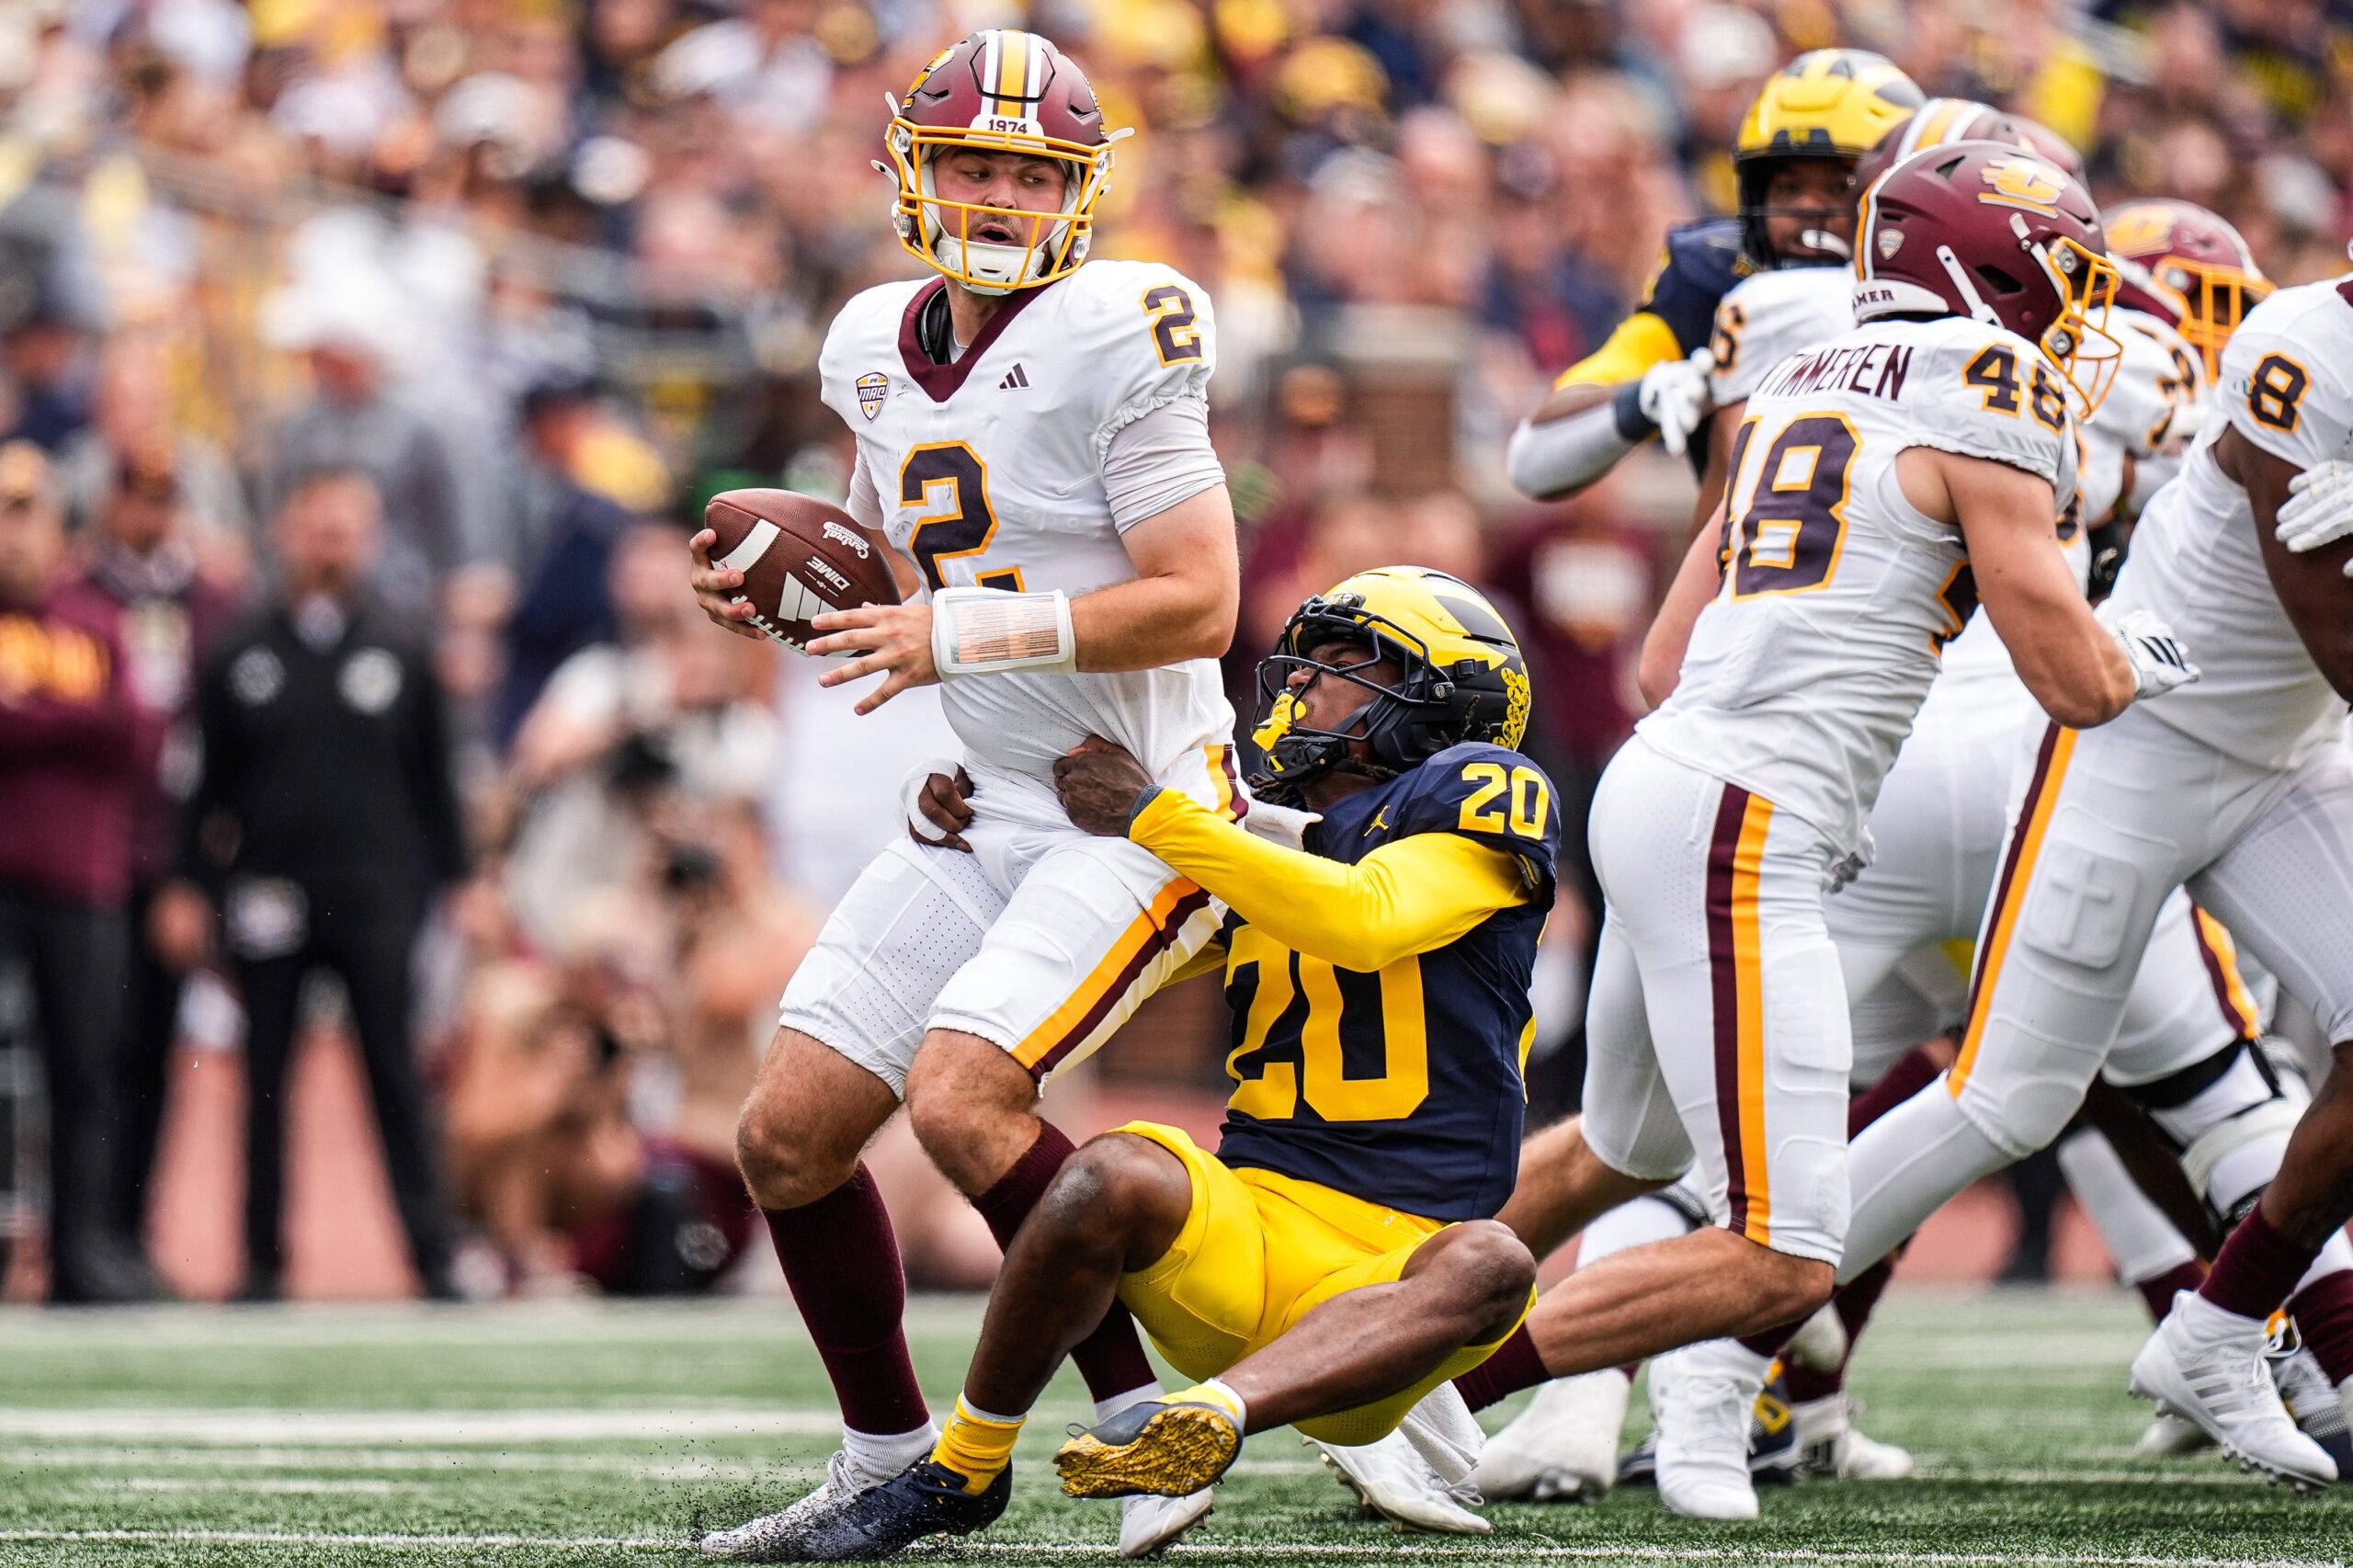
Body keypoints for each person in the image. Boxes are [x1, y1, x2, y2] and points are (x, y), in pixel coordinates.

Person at [1438, 142, 2202, 1523]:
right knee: (1787, 1247)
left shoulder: (1798, 378)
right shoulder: (1995, 381)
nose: (2067, 313)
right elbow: (2078, 683)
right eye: (2056, 275)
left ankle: (1385, 1334)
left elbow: (1661, 662)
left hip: (1663, 775)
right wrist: (2147, 642)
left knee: (1617, 1150)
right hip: (1743, 819)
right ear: (1979, 263)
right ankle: (1413, 1390)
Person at [687, 30, 1242, 1560]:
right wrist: (779, 592)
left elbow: (1201, 599)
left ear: (1080, 188)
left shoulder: (1122, 325)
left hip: (1137, 808)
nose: (1000, 194)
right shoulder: (870, 339)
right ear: (913, 172)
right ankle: (882, 1452)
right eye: (975, 164)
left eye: (1032, 170)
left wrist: (961, 634)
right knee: (789, 1137)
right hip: (985, 795)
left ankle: (1143, 1426)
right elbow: (881, 567)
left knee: (960, 1099)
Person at [787, 568, 1550, 1561]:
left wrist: (1155, 814)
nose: (1301, 686)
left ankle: (1207, 1421)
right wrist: (991, 825)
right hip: (1247, 1240)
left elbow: (1367, 916)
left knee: (1493, 1258)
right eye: (1307, 659)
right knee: (1109, 1169)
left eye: (1344, 667)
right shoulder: (1246, 833)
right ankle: (962, 1466)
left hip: (1398, 1267)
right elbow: (1118, 944)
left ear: (1442, 705)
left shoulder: (1482, 791)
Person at [1859, 260, 2353, 1489]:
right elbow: (2339, 635)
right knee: (2006, 1102)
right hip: (2153, 743)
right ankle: (1693, 1350)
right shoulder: (2302, 349)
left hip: (2295, 760)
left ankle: (2220, 1325)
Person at [162, 468, 468, 1301]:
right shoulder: (239, 646)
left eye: (348, 525)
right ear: (288, 531)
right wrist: (187, 882)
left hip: (377, 893)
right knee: (262, 1077)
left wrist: (469, 879)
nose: (332, 539)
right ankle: (261, 1261)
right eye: (318, 523)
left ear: (370, 536)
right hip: (268, 892)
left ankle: (431, 1257)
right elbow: (203, 782)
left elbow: (437, 780)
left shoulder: (403, 643)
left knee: (393, 1076)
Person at [1503, 49, 1920, 503]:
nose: (1806, 210)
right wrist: (1659, 394)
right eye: (1788, 187)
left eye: (1839, 186)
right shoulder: (1719, 274)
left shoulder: (1954, 285)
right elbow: (1534, 460)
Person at [76, 446, 244, 1267]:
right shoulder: (76, 596)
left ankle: (129, 1232)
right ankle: (83, 1231)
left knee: (149, 1050)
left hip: (169, 853)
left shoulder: (210, 603)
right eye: (136, 497)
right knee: (84, 1048)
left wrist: (198, 871)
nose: (149, 514)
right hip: (87, 851)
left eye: (163, 497)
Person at [0, 439, 154, 1303]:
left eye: (27, 514)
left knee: (83, 1070)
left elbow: (134, 735)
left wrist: (33, 719)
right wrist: (70, 720)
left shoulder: (97, 619)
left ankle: (80, 1250)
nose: (13, 535)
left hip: (80, 878)